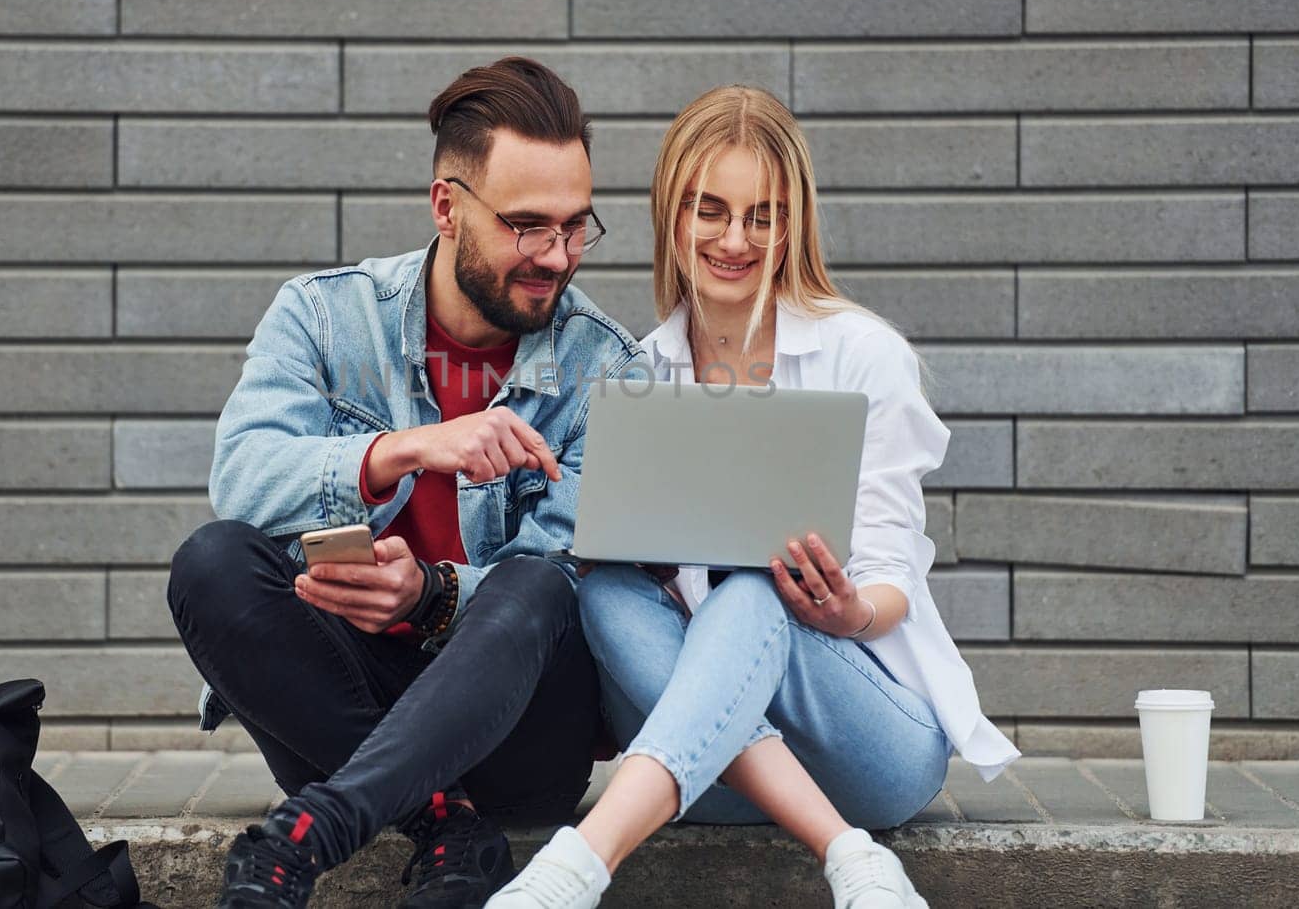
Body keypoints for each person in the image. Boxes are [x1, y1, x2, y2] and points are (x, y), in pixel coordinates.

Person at [488, 86, 1020, 909]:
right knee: (604, 587)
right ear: (673, 212)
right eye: (711, 209)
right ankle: (851, 859)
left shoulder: (862, 354)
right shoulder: (639, 372)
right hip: (706, 772)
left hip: (867, 749)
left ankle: (575, 867)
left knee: (759, 585)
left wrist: (847, 612)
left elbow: (890, 574)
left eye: (761, 216)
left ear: (791, 223)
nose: (734, 239)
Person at [166, 57, 642, 909]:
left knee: (543, 583)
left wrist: (430, 595)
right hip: (339, 706)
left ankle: (325, 829)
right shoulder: (323, 315)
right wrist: (407, 448)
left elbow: (571, 574)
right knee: (212, 561)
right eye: (528, 226)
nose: (557, 257)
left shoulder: (606, 367)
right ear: (446, 205)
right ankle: (444, 827)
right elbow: (240, 478)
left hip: (518, 740)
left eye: (576, 227)